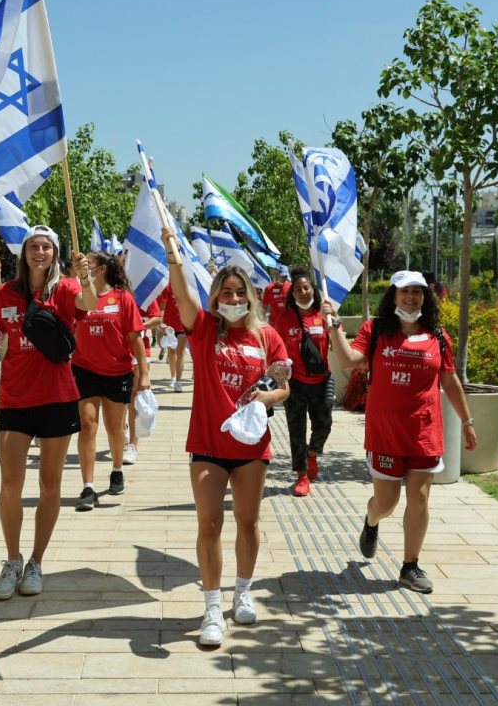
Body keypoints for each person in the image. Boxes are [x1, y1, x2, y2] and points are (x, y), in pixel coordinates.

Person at [160, 226, 289, 649]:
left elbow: (284, 383)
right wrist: (172, 253)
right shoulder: (202, 330)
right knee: (209, 524)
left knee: (248, 522)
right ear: (215, 297)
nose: (233, 299)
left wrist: (268, 395)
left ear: (250, 297)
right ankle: (212, 607)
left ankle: (244, 590)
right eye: (225, 293)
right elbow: (181, 296)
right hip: (208, 446)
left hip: (252, 446)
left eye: (239, 293)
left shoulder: (266, 335)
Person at [322, 270, 478, 594]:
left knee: (419, 498)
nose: (411, 297)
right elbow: (350, 360)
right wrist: (335, 328)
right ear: (393, 296)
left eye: (417, 292)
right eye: (404, 291)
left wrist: (467, 421)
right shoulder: (376, 330)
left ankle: (410, 566)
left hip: (423, 431)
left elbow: (449, 381)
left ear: (425, 297)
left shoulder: (437, 335)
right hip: (386, 433)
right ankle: (371, 520)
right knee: (386, 502)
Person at [0, 225, 95, 600]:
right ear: (24, 253)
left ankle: (36, 561)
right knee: (9, 486)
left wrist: (85, 277)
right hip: (14, 399)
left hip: (57, 397)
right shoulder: (5, 293)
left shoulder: (65, 288)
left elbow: (90, 305)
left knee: (50, 485)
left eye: (46, 246)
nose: (39, 251)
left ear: (55, 253)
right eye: (33, 246)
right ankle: (12, 559)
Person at [71, 251, 149, 511]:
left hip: (118, 372)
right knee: (87, 424)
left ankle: (117, 469)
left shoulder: (123, 298)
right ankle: (88, 486)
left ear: (102, 269)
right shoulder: (80, 298)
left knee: (115, 429)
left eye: (89, 264)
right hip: (85, 370)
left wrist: (145, 373)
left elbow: (136, 339)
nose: (84, 268)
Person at [269, 267, 333, 497]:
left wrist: (334, 319)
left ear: (313, 290)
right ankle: (302, 475)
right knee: (296, 430)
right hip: (294, 383)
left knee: (324, 424)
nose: (303, 292)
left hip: (322, 380)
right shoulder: (285, 318)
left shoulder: (323, 313)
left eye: (306, 288)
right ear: (292, 294)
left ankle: (313, 452)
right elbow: (276, 347)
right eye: (298, 289)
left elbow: (338, 339)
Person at [125, 294, 163, 464]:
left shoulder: (146, 291)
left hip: (141, 349)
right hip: (115, 350)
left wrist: (140, 325)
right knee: (122, 400)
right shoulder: (112, 289)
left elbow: (157, 318)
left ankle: (133, 445)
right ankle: (125, 427)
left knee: (135, 396)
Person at [158, 282, 188, 391]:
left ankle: (178, 382)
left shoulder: (187, 287)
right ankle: (173, 377)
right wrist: (161, 323)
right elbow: (162, 307)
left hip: (183, 326)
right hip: (169, 327)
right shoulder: (167, 287)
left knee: (181, 352)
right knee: (172, 352)